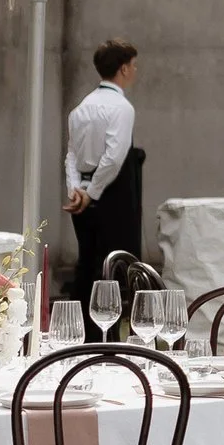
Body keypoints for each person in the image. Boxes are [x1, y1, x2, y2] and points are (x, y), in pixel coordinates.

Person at [64, 39, 143, 304]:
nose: (134, 71)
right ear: (123, 69)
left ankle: (83, 332)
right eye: (133, 66)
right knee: (115, 267)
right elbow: (113, 157)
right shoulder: (122, 108)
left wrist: (77, 190)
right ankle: (109, 337)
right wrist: (92, 192)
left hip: (83, 197)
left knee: (86, 264)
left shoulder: (80, 108)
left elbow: (72, 155)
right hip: (112, 196)